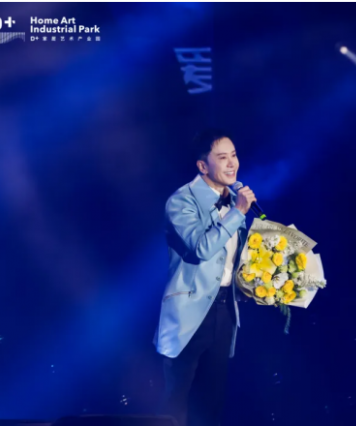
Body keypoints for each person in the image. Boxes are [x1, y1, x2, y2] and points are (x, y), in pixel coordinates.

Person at [153, 129, 257, 426]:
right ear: (202, 166)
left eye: (234, 155)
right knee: (177, 402)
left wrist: (252, 283)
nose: (232, 163)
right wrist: (238, 212)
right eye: (222, 157)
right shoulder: (181, 201)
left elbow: (228, 260)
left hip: (224, 311)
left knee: (211, 402)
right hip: (188, 311)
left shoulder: (235, 201)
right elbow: (201, 248)